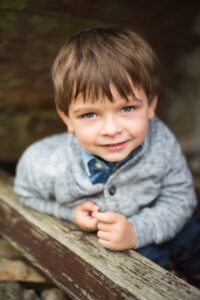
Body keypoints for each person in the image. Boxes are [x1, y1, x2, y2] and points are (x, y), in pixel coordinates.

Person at [14, 27, 200, 279]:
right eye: (90, 114)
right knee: (134, 272)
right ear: (66, 118)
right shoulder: (46, 166)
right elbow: (26, 195)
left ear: (150, 106)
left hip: (164, 225)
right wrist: (70, 214)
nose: (112, 130)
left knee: (192, 236)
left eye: (127, 108)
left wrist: (136, 230)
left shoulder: (161, 142)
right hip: (121, 254)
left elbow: (180, 197)